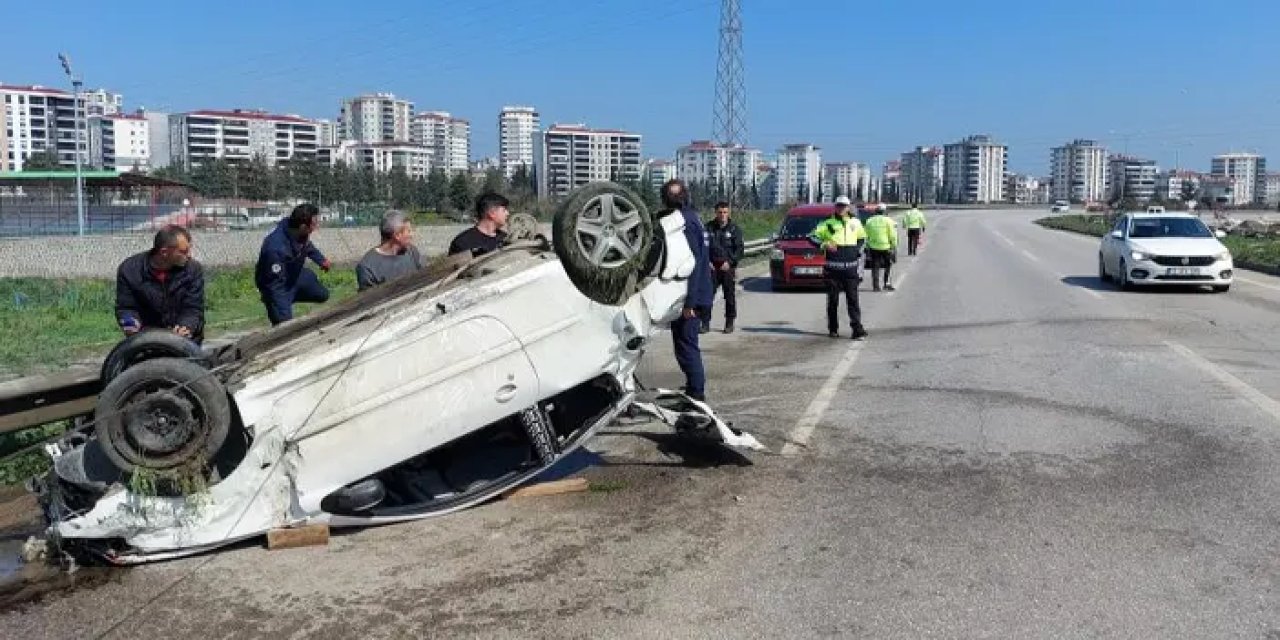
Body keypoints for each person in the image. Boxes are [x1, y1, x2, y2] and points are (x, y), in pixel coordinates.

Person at [661, 179, 713, 401]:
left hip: (692, 295)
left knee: (686, 346)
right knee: (686, 344)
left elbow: (693, 263)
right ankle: (694, 387)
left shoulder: (683, 223)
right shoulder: (694, 218)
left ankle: (697, 393)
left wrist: (689, 303)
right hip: (698, 291)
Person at [115, 225, 206, 343]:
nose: (189, 255)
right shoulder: (129, 270)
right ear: (164, 252)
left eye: (189, 249)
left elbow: (193, 308)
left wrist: (186, 326)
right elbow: (126, 307)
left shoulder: (193, 270)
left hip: (184, 340)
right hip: (146, 339)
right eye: (183, 252)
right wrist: (130, 323)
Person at [255, 203, 332, 326]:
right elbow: (275, 285)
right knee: (285, 328)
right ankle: (274, 303)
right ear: (302, 226)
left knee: (323, 295)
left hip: (296, 275)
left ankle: (292, 296)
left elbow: (307, 246)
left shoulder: (298, 231)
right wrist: (279, 303)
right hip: (277, 284)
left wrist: (321, 260)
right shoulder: (275, 248)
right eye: (314, 224)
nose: (316, 227)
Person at [810, 195, 868, 339]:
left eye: (844, 206)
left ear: (848, 207)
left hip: (850, 269)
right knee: (833, 301)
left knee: (853, 300)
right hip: (833, 270)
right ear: (835, 207)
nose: (841, 208)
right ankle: (833, 328)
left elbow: (862, 238)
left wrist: (856, 250)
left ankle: (857, 329)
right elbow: (812, 237)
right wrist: (824, 244)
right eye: (839, 206)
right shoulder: (827, 223)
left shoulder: (855, 222)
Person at [699, 201, 744, 334]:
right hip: (711, 268)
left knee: (729, 296)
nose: (722, 215)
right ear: (716, 213)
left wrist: (729, 263)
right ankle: (705, 323)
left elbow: (740, 250)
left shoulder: (735, 229)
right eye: (720, 212)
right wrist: (707, 262)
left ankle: (729, 322)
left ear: (728, 213)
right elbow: (702, 247)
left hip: (727, 268)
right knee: (707, 296)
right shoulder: (708, 228)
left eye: (725, 212)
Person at [356, 210, 424, 291]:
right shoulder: (367, 268)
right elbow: (368, 300)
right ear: (397, 235)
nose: (412, 235)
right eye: (409, 231)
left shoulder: (412, 253)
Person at [448, 192, 510, 257]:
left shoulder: (505, 239)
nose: (507, 213)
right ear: (491, 213)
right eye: (504, 210)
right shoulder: (462, 243)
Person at [863, 205, 899, 292]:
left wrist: (866, 246)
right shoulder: (889, 221)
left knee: (875, 266)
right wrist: (894, 245)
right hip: (886, 246)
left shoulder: (869, 221)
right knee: (888, 265)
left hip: (873, 246)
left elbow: (865, 235)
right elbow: (892, 235)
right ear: (884, 212)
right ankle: (886, 283)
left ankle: (876, 286)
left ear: (875, 211)